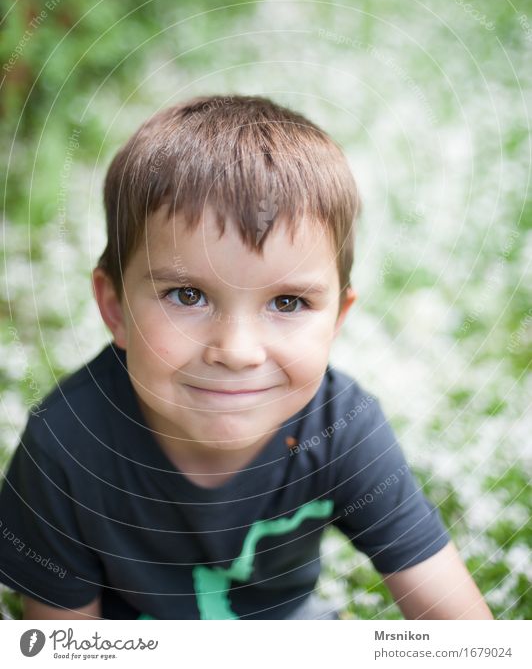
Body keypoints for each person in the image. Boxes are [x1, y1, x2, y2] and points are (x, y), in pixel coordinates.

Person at [0, 95, 493, 620]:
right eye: (187, 295)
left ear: (337, 322)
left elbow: (462, 633)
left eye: (287, 302)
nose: (236, 352)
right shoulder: (65, 449)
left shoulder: (342, 426)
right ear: (115, 308)